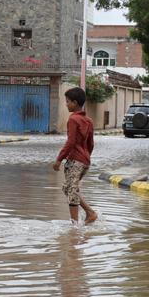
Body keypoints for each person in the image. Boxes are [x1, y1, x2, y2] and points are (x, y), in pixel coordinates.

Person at [53, 86, 98, 224]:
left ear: (75, 103)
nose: (66, 104)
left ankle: (74, 226)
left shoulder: (73, 119)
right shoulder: (88, 120)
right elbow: (91, 144)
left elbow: (70, 142)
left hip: (75, 160)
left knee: (71, 191)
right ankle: (89, 213)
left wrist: (59, 159)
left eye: (67, 102)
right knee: (68, 188)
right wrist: (86, 158)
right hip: (85, 161)